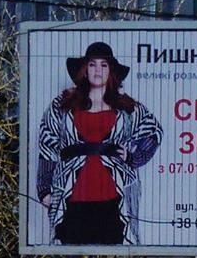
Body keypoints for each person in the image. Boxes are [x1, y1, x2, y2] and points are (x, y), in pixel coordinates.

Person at [35, 41, 163, 246]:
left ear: (111, 71)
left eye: (104, 65)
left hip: (114, 194)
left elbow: (154, 132)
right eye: (92, 64)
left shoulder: (126, 106)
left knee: (116, 240)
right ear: (84, 70)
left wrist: (133, 158)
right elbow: (47, 143)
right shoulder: (63, 104)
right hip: (72, 193)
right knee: (68, 241)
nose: (98, 70)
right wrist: (44, 190)